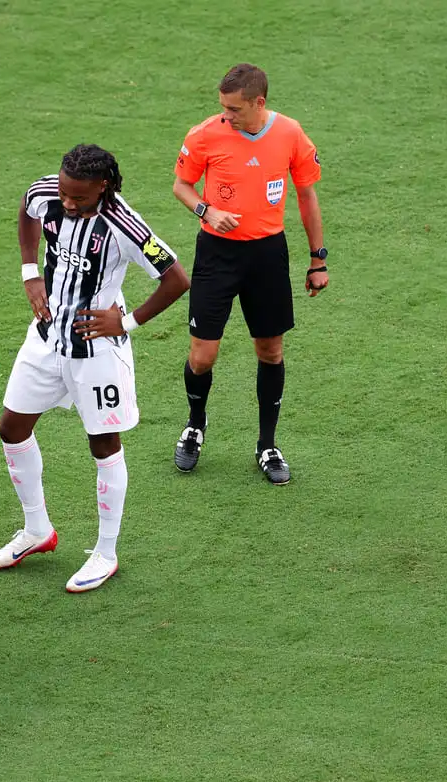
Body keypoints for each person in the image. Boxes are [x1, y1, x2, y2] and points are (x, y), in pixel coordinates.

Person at [0, 144, 190, 592]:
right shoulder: (49, 195)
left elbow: (176, 278)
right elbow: (28, 205)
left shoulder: (124, 226)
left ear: (104, 186)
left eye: (79, 197)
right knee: (11, 427)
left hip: (97, 349)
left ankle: (105, 551)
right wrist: (29, 272)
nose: (69, 203)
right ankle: (37, 530)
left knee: (103, 443)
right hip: (45, 337)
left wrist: (128, 320)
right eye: (65, 193)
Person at [171, 63, 328, 484]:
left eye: (234, 109)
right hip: (216, 255)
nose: (225, 116)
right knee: (202, 355)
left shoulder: (291, 134)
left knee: (270, 350)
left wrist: (318, 259)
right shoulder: (205, 133)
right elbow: (181, 186)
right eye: (222, 107)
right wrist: (207, 210)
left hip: (267, 256)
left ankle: (267, 445)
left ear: (259, 103)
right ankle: (194, 425)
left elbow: (307, 197)